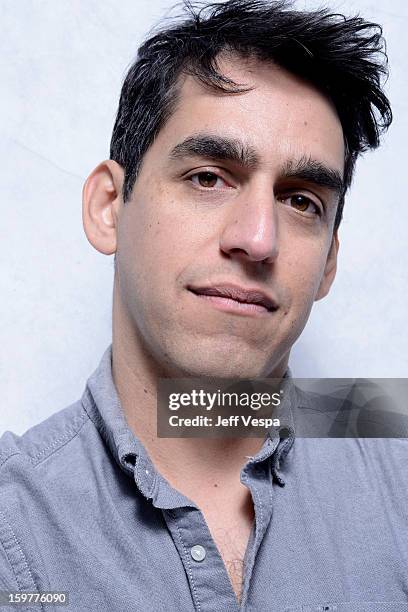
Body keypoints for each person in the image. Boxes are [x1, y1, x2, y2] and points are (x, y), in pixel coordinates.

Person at [1, 1, 404, 610]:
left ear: (328, 263)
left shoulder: (391, 447)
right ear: (110, 205)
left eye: (301, 201)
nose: (257, 238)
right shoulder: (16, 516)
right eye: (208, 177)